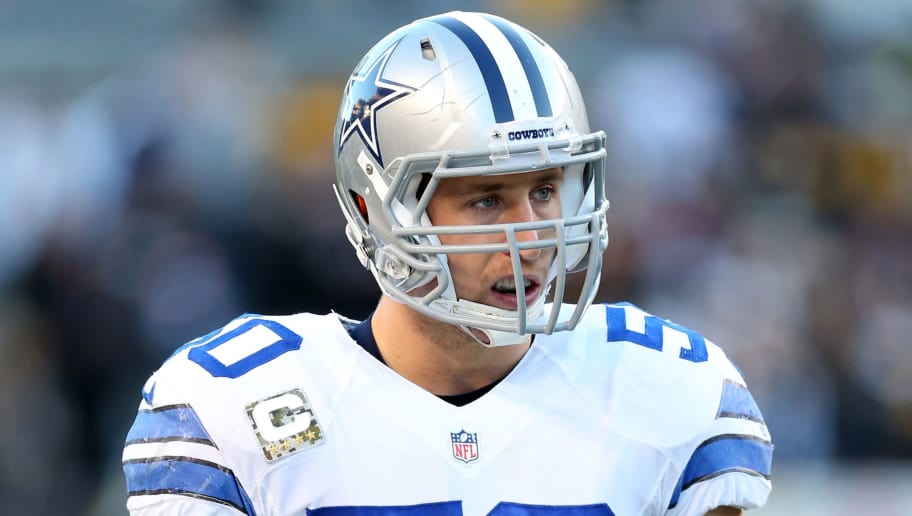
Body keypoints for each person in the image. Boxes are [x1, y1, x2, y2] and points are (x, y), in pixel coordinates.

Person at [122, 11, 772, 516]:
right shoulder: (237, 407)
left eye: (545, 190)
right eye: (487, 199)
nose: (532, 236)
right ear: (377, 209)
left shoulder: (665, 392)